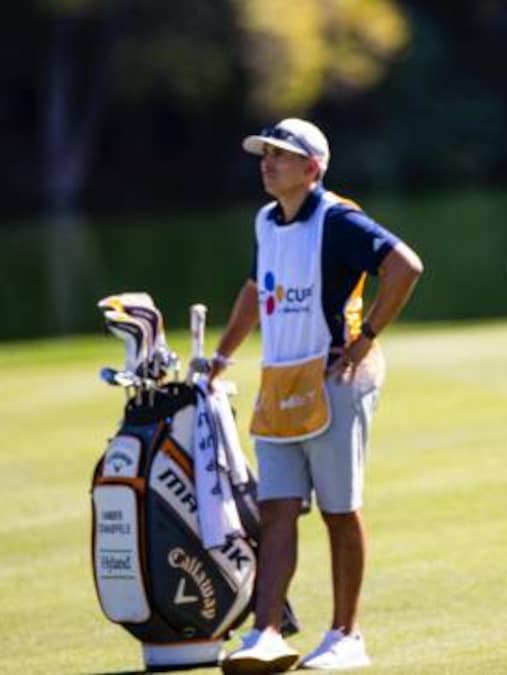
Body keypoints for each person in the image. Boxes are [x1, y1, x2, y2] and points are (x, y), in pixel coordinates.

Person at [211, 118, 423, 674]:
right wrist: (223, 356)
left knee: (338, 510)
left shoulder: (338, 219)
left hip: (335, 384)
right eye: (265, 153)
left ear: (312, 167)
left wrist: (365, 339)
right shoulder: (265, 220)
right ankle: (266, 633)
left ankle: (346, 635)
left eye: (281, 155)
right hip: (280, 382)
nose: (268, 162)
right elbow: (256, 291)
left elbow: (404, 267)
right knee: (277, 510)